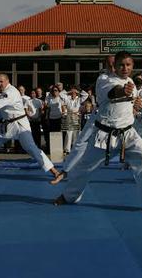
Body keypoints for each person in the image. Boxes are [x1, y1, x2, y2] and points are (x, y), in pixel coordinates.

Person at [54, 51, 142, 214]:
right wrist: (123, 91)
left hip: (128, 133)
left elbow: (130, 102)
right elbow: (113, 92)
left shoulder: (131, 81)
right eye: (120, 65)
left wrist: (136, 103)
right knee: (84, 168)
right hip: (104, 135)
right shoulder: (104, 79)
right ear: (114, 66)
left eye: (128, 65)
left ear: (132, 66)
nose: (124, 68)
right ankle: (68, 197)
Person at [50, 55, 116, 185]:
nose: (112, 67)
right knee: (80, 141)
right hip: (98, 116)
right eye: (109, 65)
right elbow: (113, 91)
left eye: (115, 64)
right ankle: (65, 171)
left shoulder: (126, 80)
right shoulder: (103, 78)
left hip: (119, 120)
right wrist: (72, 91)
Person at [0, 74, 60, 179]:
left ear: (7, 81)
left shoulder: (11, 91)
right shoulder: (3, 92)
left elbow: (5, 101)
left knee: (31, 148)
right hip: (7, 124)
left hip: (19, 124)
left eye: (1, 81)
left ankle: (54, 171)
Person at [63, 86, 81, 154]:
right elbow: (62, 94)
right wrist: (70, 91)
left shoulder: (79, 99)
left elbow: (86, 95)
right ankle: (67, 149)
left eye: (74, 92)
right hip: (69, 116)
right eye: (72, 92)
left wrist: (77, 91)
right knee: (68, 132)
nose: (73, 93)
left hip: (76, 116)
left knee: (76, 133)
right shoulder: (68, 98)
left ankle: (74, 148)